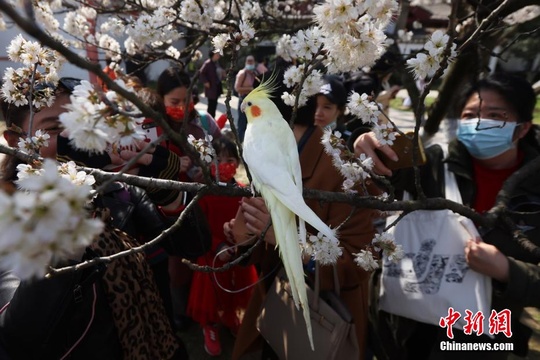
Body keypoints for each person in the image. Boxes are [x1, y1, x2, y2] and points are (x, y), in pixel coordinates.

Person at [353, 72, 540, 359]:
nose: (478, 123)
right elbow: (396, 176)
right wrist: (370, 147)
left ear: (523, 128)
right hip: (408, 329)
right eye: (469, 114)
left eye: (495, 115)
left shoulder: (534, 190)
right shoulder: (436, 164)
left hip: (481, 340)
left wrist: (507, 270)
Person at [0, 77, 188, 359]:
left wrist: (162, 183)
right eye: (53, 129)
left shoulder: (115, 189)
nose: (70, 141)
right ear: (16, 141)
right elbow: (15, 339)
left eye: (77, 126)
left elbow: (192, 245)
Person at [229, 94, 381, 359]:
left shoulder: (343, 170)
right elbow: (262, 247)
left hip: (327, 319)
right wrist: (246, 236)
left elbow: (358, 262)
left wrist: (289, 242)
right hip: (277, 306)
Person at [156, 66, 222, 332]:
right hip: (172, 204)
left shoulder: (204, 122)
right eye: (174, 102)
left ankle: (205, 308)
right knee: (177, 263)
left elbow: (221, 152)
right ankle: (180, 312)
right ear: (160, 99)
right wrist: (173, 165)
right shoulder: (153, 127)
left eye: (187, 100)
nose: (181, 107)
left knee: (205, 253)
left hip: (204, 200)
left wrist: (210, 165)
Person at [187, 136, 259, 357]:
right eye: (218, 159)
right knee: (212, 293)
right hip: (212, 253)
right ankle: (211, 325)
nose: (224, 164)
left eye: (230, 159)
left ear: (238, 164)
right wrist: (218, 247)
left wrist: (241, 245)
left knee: (237, 291)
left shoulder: (243, 192)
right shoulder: (203, 193)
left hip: (237, 252)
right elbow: (199, 229)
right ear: (209, 162)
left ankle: (232, 320)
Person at [234, 55, 261, 143]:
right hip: (244, 100)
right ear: (246, 62)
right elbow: (237, 88)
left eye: (251, 61)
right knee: (242, 124)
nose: (250, 63)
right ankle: (240, 143)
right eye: (248, 61)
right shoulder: (242, 73)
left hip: (253, 101)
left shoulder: (255, 73)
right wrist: (250, 89)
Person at [199, 50, 223, 119]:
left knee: (214, 104)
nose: (218, 55)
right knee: (211, 105)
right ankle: (209, 120)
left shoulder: (217, 63)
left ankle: (212, 119)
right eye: (216, 54)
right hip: (211, 87)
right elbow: (201, 73)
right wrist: (206, 82)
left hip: (217, 87)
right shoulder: (208, 63)